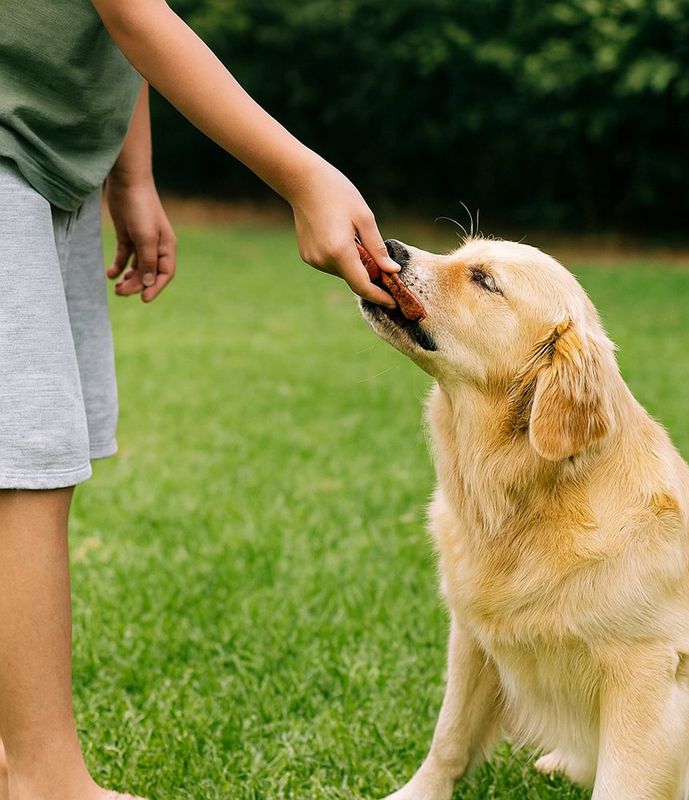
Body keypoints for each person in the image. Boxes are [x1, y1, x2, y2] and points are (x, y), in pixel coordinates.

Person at [0, 2, 400, 799]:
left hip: (48, 161)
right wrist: (302, 175)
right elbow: (134, 12)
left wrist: (132, 173)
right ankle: (46, 781)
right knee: (27, 456)